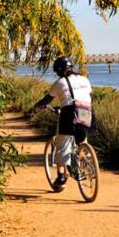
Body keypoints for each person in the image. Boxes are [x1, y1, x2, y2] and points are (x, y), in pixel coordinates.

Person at [30, 56, 92, 191]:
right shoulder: (84, 79)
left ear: (58, 71)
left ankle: (61, 178)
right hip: (87, 110)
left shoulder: (60, 83)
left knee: (61, 144)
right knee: (81, 137)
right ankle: (85, 156)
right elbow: (85, 95)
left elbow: (47, 100)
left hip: (69, 112)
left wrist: (35, 108)